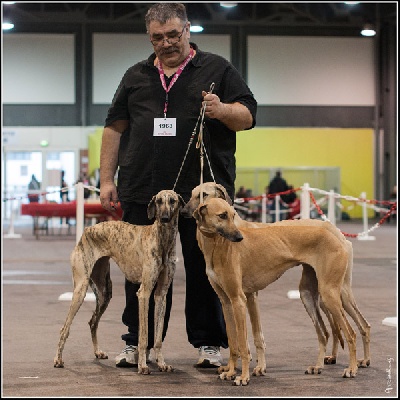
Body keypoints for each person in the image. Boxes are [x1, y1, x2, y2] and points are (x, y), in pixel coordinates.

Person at [99, 3, 257, 369]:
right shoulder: (135, 75)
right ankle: (139, 343)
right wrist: (107, 179)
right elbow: (114, 127)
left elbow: (248, 116)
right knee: (141, 272)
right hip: (144, 191)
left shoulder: (218, 69)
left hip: (201, 194)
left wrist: (222, 110)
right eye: (158, 37)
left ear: (188, 30)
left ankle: (210, 343)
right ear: (149, 37)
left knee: (208, 269)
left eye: (174, 34)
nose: (167, 43)